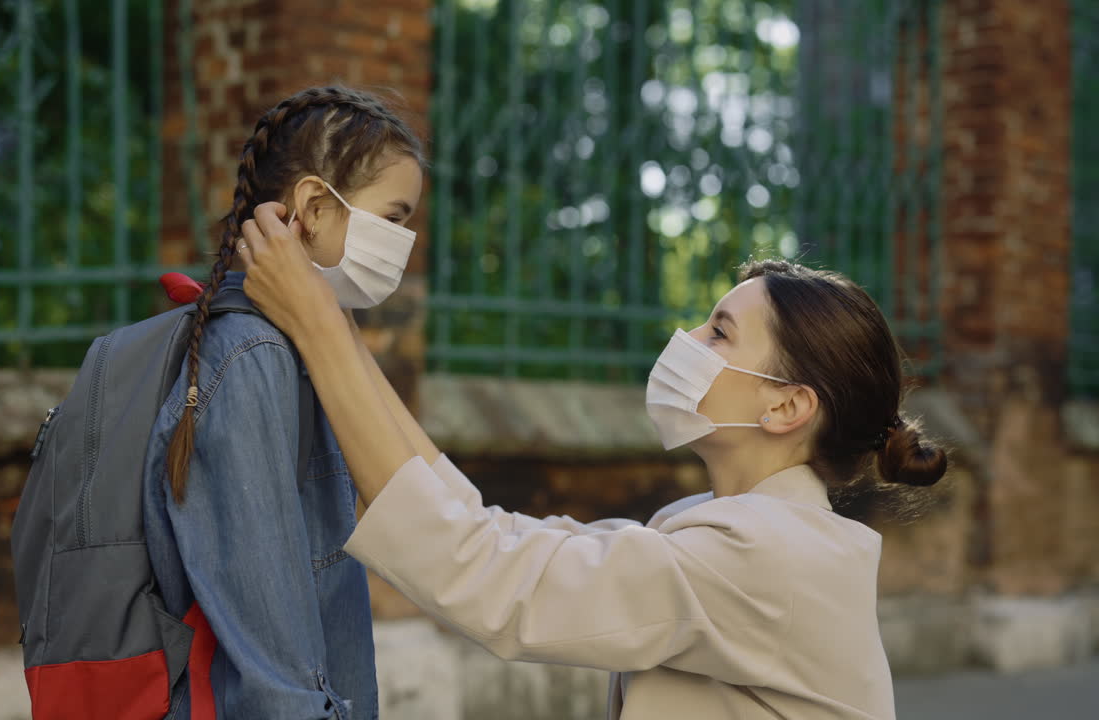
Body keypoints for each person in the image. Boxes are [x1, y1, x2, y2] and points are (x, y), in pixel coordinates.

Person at [238, 209, 948, 720]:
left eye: (719, 333)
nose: (688, 339)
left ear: (786, 406)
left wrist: (317, 326)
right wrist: (337, 327)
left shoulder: (767, 556)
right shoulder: (731, 530)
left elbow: (486, 576)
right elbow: (495, 535)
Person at [140, 86, 425, 719]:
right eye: (394, 218)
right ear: (314, 207)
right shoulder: (253, 357)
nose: (405, 242)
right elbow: (272, 665)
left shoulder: (293, 352)